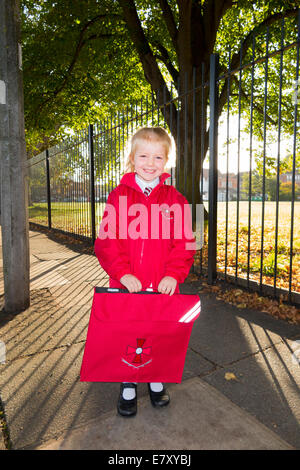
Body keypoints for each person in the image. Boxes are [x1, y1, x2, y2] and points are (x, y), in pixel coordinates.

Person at [94, 127, 196, 417]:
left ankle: (155, 377)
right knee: (129, 334)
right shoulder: (118, 197)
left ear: (167, 161)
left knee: (159, 332)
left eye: (158, 157)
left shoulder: (177, 200)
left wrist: (173, 275)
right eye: (143, 156)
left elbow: (186, 243)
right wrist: (122, 273)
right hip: (127, 283)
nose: (150, 163)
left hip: (162, 285)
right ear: (132, 158)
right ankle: (128, 382)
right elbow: (106, 240)